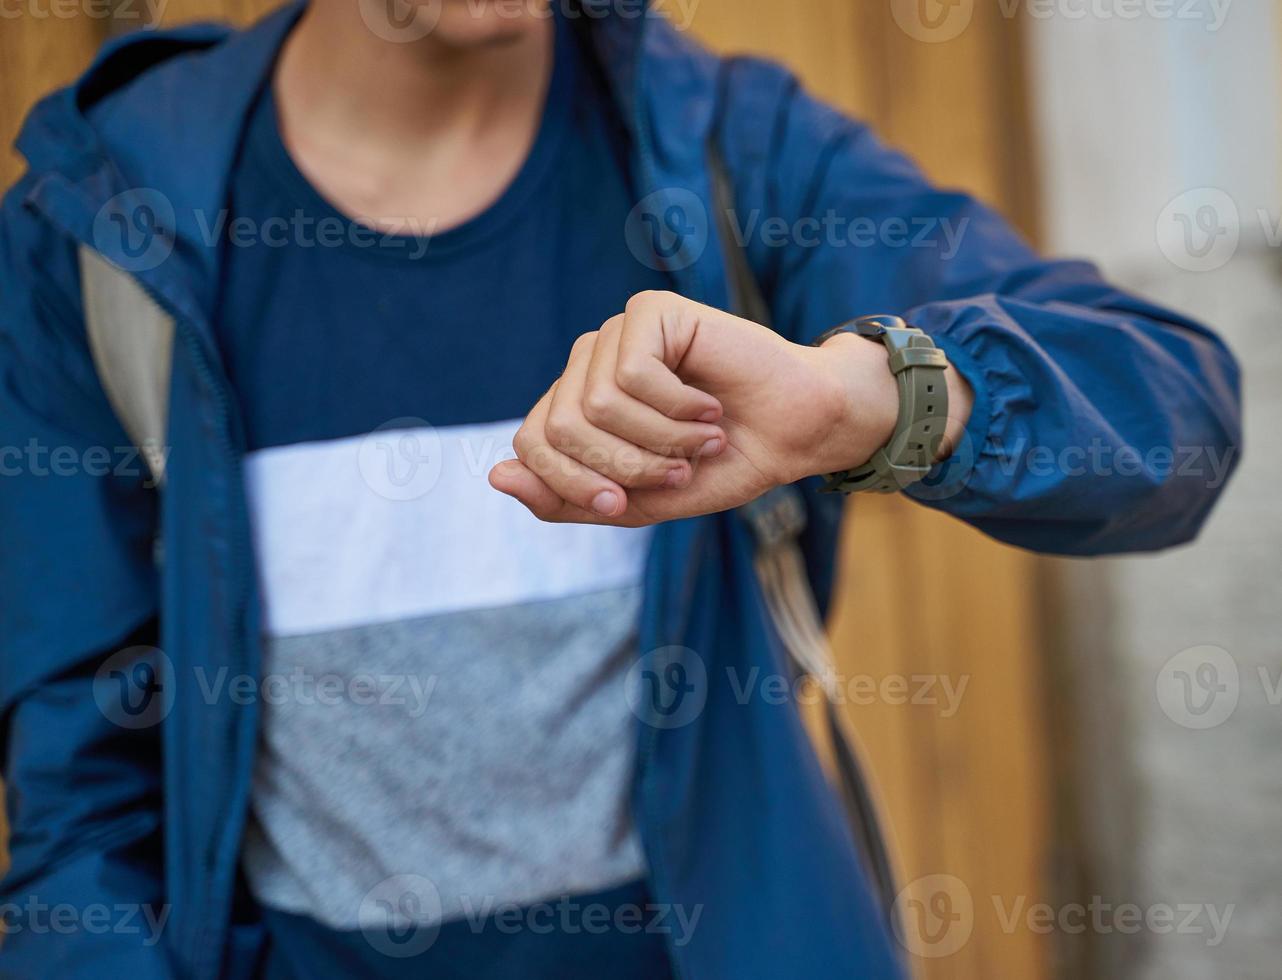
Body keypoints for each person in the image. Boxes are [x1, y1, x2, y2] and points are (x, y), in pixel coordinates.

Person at [0, 1, 1241, 978]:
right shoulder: (104, 224)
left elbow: (1175, 413)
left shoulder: (730, 156)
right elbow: (78, 798)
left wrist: (874, 399)